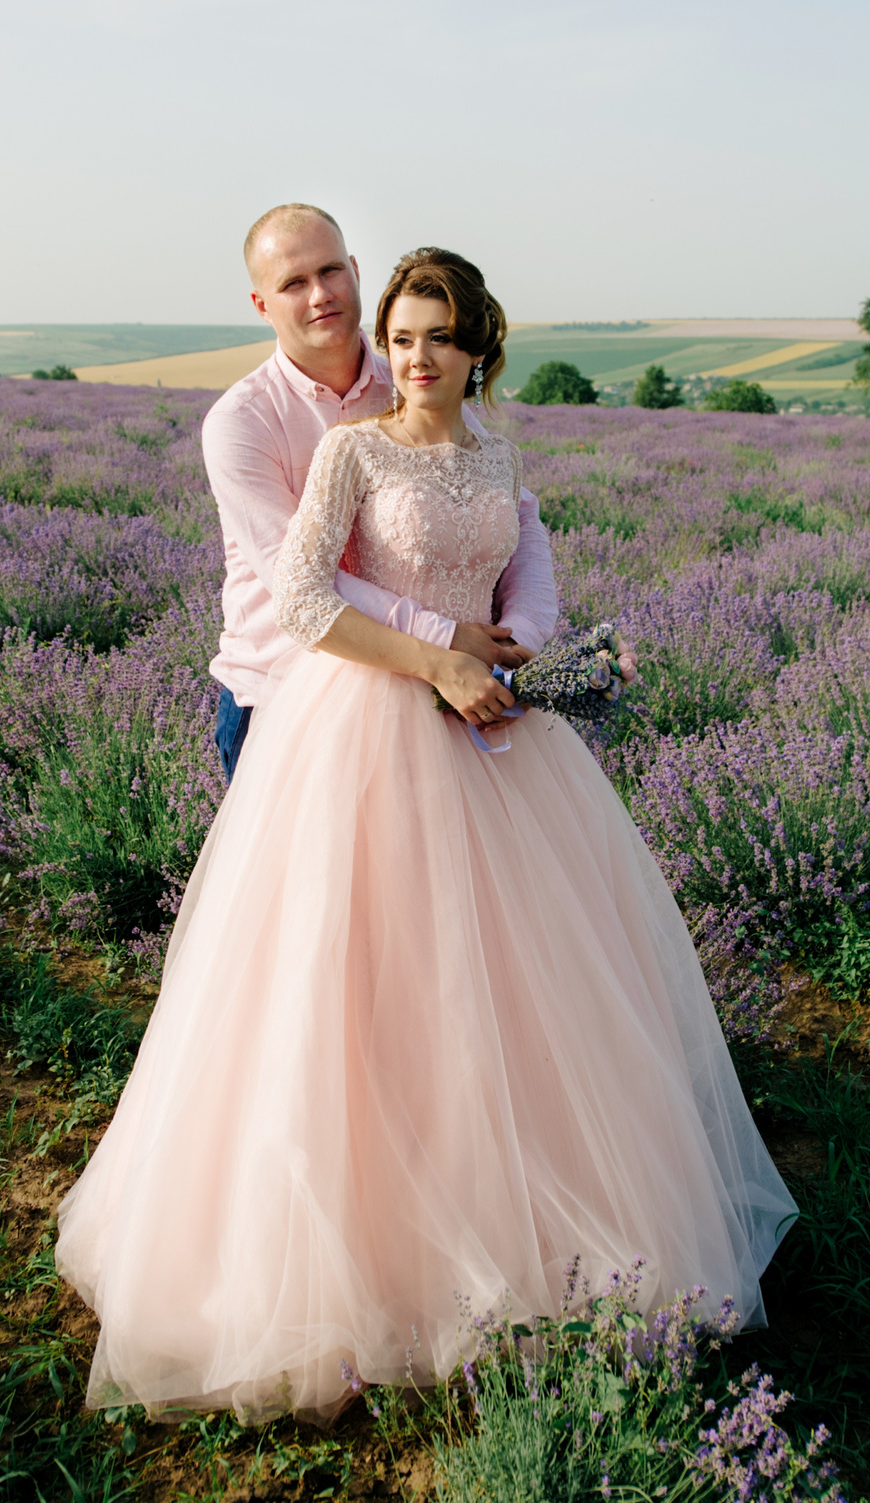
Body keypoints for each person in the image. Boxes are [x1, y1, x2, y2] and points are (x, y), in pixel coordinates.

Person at [54, 246, 794, 1425]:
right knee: (355, 978)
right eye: (400, 337)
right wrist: (437, 660)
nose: (413, 355)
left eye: (436, 336)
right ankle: (354, 1257)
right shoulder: (346, 449)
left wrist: (523, 640)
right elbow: (303, 596)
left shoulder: (502, 455)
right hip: (363, 729)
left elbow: (529, 568)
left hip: (497, 737)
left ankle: (512, 1229)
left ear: (477, 346)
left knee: (511, 985)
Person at [197, 204, 556, 779]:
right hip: (280, 693)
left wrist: (518, 642)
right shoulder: (242, 422)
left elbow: (510, 510)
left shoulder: (417, 374)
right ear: (262, 305)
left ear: (357, 271)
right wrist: (445, 641)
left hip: (443, 689)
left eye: (331, 270)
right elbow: (296, 577)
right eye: (294, 283)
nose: (320, 294)